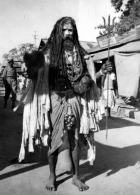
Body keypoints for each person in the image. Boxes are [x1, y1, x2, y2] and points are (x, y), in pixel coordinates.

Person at [19, 17, 113, 191]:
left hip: (76, 100)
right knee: (55, 139)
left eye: (71, 30)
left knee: (74, 139)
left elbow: (90, 79)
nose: (68, 34)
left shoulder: (81, 53)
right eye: (65, 30)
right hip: (56, 100)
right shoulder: (48, 54)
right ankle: (52, 176)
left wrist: (101, 72)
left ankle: (76, 177)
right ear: (58, 32)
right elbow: (36, 77)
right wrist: (31, 68)